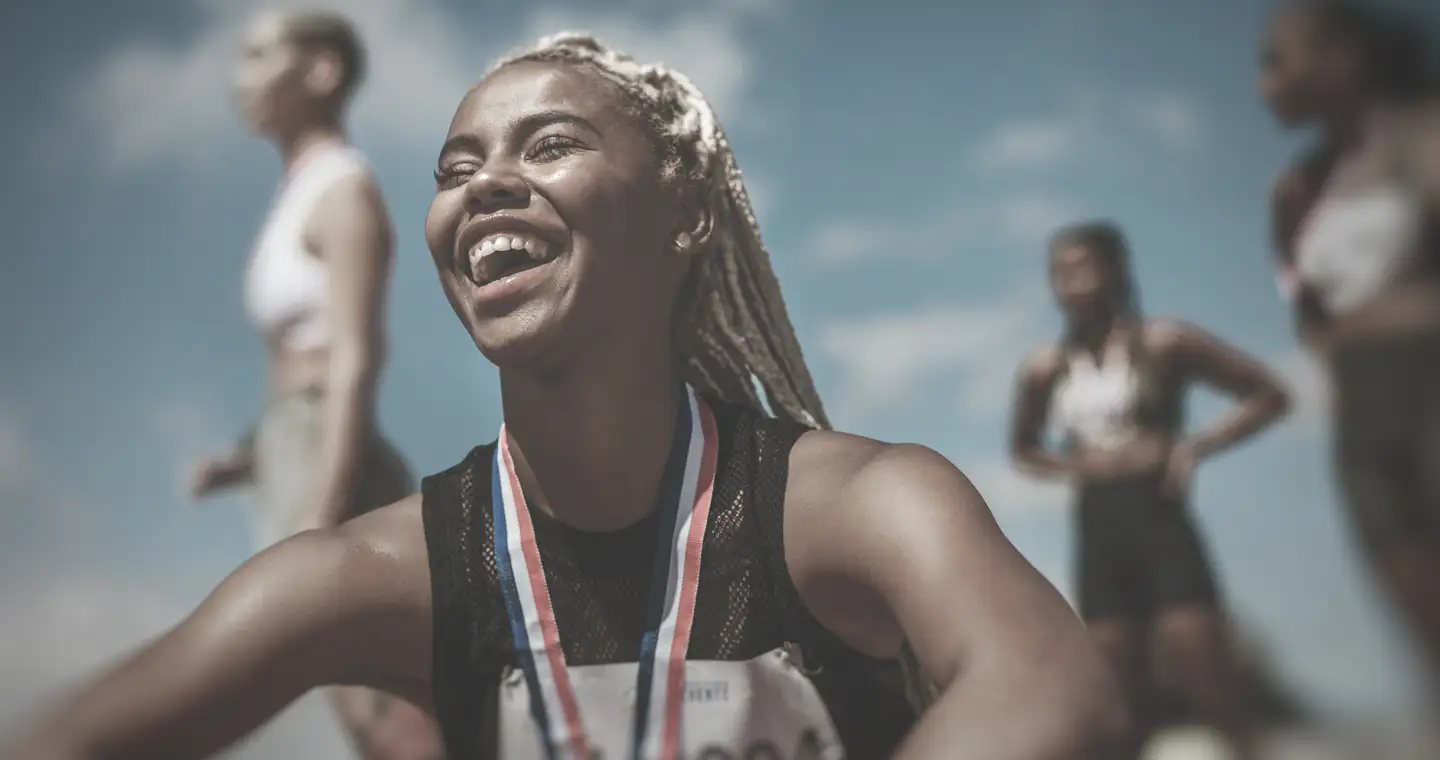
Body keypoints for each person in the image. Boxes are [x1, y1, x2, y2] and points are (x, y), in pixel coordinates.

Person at [3, 33, 1128, 760]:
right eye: (454, 168)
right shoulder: (386, 569)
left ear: (686, 212)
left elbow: (1052, 688)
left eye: (551, 144)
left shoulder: (854, 502)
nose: (486, 182)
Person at [185, 10, 444, 759]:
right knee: (365, 701)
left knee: (384, 710)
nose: (240, 76)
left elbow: (354, 356)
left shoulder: (342, 190)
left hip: (325, 450)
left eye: (261, 53)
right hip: (290, 445)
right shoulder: (299, 191)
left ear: (322, 70)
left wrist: (320, 512)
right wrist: (248, 457)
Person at [1009, 222, 1290, 758]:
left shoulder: (1165, 341)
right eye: (1057, 272)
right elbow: (1023, 448)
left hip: (1159, 514)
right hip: (1097, 522)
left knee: (1208, 679)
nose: (1069, 282)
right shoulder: (1046, 368)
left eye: (1082, 266)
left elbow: (1267, 394)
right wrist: (1077, 466)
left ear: (1114, 270)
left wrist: (1193, 447)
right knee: (1119, 698)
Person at [1261, 0, 1440, 687]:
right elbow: (1304, 304)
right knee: (1423, 621)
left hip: (1432, 389)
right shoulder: (1294, 190)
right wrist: (1339, 344)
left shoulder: (1423, 138)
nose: (1263, 85)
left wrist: (1398, 319)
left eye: (1278, 61)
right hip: (1364, 421)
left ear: (1345, 57)